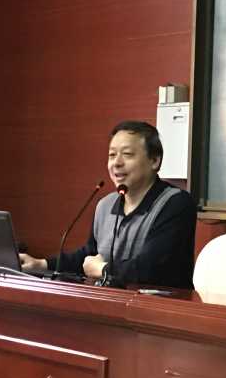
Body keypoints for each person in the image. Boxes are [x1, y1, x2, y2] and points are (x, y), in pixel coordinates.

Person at [20, 121, 196, 289]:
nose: (116, 163)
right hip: (110, 303)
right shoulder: (105, 205)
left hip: (158, 306)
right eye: (112, 155)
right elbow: (90, 255)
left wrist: (103, 270)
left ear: (154, 161)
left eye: (127, 154)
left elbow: (150, 268)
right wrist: (41, 264)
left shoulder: (176, 203)